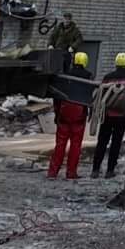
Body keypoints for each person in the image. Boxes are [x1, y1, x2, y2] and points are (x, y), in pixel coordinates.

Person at [48, 50, 93, 180]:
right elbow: (90, 96)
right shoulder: (88, 76)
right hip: (79, 112)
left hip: (64, 110)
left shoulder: (66, 76)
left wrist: (57, 113)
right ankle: (71, 173)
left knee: (60, 144)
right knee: (75, 144)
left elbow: (57, 96)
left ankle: (52, 172)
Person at [94, 52, 125, 179]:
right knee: (116, 143)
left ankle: (95, 169)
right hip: (121, 116)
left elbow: (101, 94)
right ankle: (110, 170)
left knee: (102, 142)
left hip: (106, 115)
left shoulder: (108, 77)